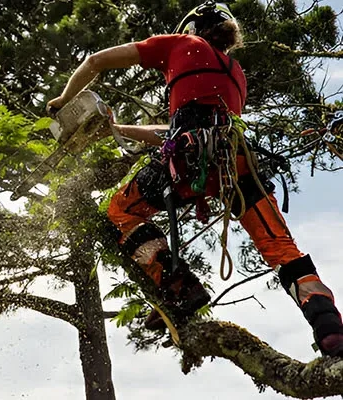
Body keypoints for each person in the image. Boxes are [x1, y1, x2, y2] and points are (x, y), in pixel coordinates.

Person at [47, 1, 343, 357]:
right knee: (284, 253)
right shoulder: (236, 73)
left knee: (120, 211)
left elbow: (96, 61)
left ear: (191, 28)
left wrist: (63, 100)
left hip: (190, 159)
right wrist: (118, 130)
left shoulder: (177, 45)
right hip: (237, 164)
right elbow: (180, 128)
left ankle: (181, 288)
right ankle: (330, 332)